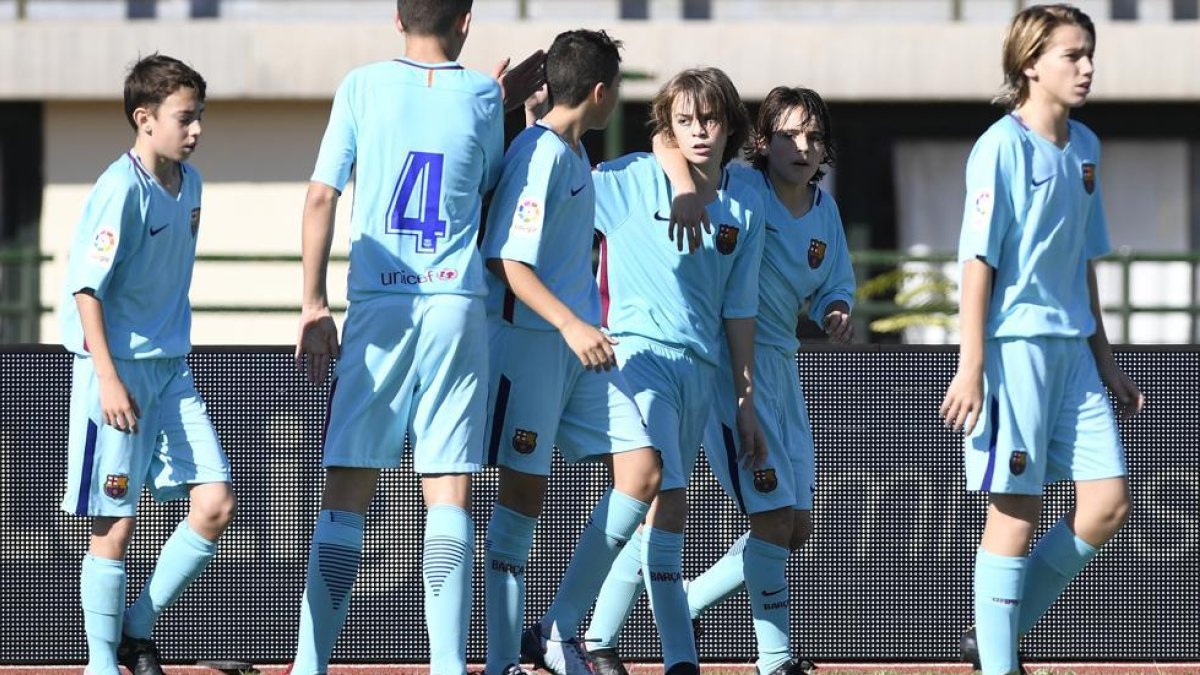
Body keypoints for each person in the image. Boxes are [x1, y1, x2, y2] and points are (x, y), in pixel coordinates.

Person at [289, 2, 543, 674]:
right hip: (455, 301)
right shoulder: (485, 95)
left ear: (396, 18)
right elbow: (485, 181)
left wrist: (313, 302)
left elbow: (320, 197)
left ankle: (311, 665)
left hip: (380, 302)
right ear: (466, 21)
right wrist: (497, 99)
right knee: (448, 489)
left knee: (347, 491)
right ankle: (448, 666)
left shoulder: (361, 85)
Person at [591, 85, 854, 675]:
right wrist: (685, 186)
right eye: (789, 134)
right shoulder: (740, 185)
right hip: (726, 371)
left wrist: (836, 307)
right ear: (762, 141)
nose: (802, 147)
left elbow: (835, 281)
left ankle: (656, 613)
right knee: (760, 518)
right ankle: (776, 658)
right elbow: (669, 137)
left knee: (794, 528)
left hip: (782, 370)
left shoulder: (826, 211)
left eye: (814, 138)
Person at [522, 67, 767, 675]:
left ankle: (586, 637)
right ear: (667, 128)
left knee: (658, 509)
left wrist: (744, 399)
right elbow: (559, 186)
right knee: (662, 498)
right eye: (684, 121)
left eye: (710, 118)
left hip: (701, 373)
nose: (699, 131)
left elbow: (739, 312)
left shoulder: (745, 208)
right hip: (637, 358)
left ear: (730, 124)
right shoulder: (631, 180)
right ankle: (669, 657)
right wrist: (528, 123)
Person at [938, 5, 1144, 674]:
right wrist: (971, 366)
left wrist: (1107, 360)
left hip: (1075, 353)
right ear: (1030, 64)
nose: (1086, 67)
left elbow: (1083, 258)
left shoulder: (1086, 146)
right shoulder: (1000, 144)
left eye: (1090, 54)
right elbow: (978, 264)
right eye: (1070, 54)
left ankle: (996, 632)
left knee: (1107, 504)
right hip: (1013, 350)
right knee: (1017, 514)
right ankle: (998, 660)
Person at [479, 29, 662, 675]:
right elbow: (506, 261)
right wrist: (571, 325)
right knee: (521, 504)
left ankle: (556, 630)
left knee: (642, 470)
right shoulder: (543, 153)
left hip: (574, 347)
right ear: (601, 90)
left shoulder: (566, 149)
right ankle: (502, 662)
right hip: (532, 347)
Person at [60, 53, 235, 675]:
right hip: (118, 374)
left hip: (171, 372)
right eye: (185, 118)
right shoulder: (119, 189)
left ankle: (138, 626)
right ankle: (102, 664)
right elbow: (87, 290)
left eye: (199, 117)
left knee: (215, 502)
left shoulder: (193, 185)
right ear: (145, 119)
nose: (196, 129)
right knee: (115, 522)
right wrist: (107, 377)